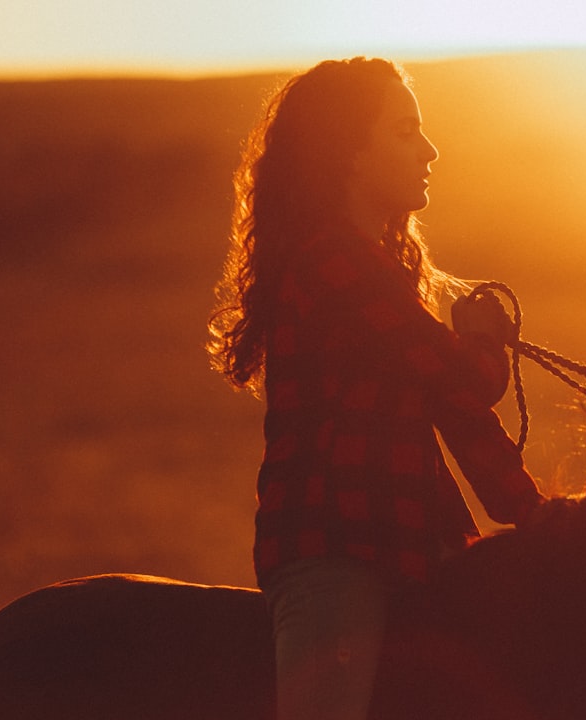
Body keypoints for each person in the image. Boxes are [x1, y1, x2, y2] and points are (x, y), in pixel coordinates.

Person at [207, 57, 545, 720]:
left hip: (417, 546)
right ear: (350, 151)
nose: (430, 150)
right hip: (335, 552)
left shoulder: (381, 270)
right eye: (404, 132)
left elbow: (455, 412)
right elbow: (464, 380)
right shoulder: (333, 263)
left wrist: (531, 512)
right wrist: (477, 340)